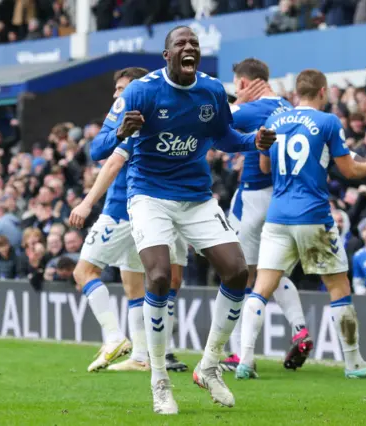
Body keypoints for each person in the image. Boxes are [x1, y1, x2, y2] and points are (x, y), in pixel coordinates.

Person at [76, 26, 275, 414]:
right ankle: (159, 381)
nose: (189, 48)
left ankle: (209, 365)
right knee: (160, 277)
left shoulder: (212, 90)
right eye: (181, 44)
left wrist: (254, 142)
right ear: (166, 55)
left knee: (236, 272)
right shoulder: (141, 91)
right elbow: (97, 148)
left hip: (196, 197)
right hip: (149, 195)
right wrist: (121, 131)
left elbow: (224, 137)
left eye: (194, 45)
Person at [238, 68, 366, 381]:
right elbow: (348, 171)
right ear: (323, 92)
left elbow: (265, 166)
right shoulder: (328, 122)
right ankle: (353, 363)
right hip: (314, 216)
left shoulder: (275, 121)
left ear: (296, 93)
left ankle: (245, 360)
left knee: (261, 288)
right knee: (338, 286)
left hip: (277, 216)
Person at [69, 67, 189, 374]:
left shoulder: (135, 123)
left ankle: (113, 337)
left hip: (121, 210)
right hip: (144, 213)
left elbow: (109, 164)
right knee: (134, 286)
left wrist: (86, 203)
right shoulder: (156, 119)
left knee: (84, 271)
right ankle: (140, 355)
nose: (116, 94)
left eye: (122, 87)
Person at [222, 58, 313, 375]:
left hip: (252, 197)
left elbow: (213, 129)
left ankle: (239, 353)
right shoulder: (288, 107)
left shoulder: (247, 111)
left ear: (245, 84)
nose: (236, 92)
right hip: (283, 198)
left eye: (237, 87)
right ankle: (300, 328)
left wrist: (235, 106)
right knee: (271, 272)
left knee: (237, 275)